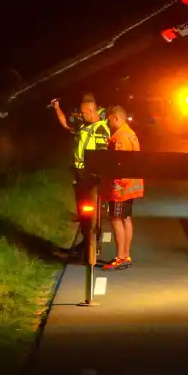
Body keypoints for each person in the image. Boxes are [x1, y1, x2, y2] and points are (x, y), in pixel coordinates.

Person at [58, 95, 110, 258]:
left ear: (90, 110)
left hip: (90, 177)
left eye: (83, 112)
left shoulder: (100, 129)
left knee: (89, 212)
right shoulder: (85, 127)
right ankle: (86, 242)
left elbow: (102, 156)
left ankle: (91, 245)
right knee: (83, 212)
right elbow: (67, 125)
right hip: (80, 175)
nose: (81, 115)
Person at [102, 105, 142, 270]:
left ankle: (121, 257)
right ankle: (126, 254)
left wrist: (112, 183)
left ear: (116, 118)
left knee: (116, 219)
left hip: (121, 187)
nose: (108, 122)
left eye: (109, 119)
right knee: (125, 219)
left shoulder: (121, 137)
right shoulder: (130, 134)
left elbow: (119, 164)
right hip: (131, 185)